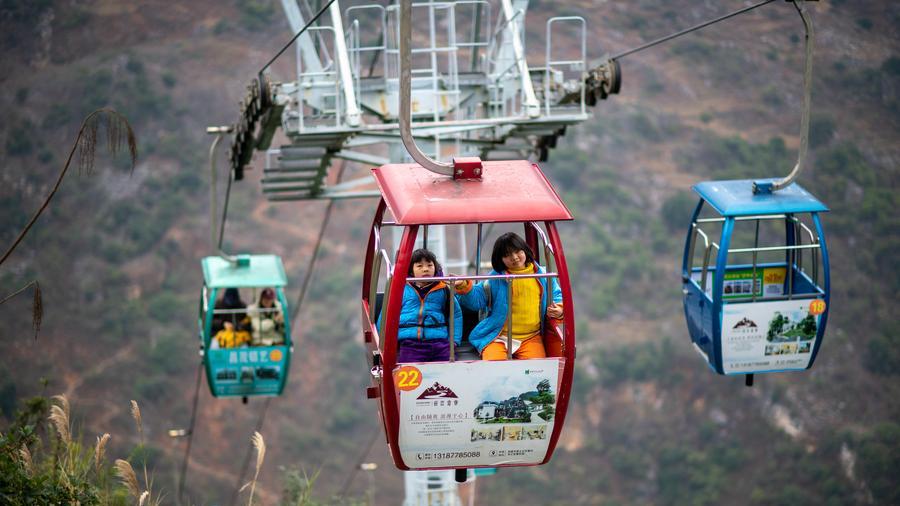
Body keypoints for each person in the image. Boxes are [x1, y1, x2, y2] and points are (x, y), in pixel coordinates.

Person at [456, 232, 563, 360]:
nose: (514, 257)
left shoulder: (542, 275)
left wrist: (560, 308)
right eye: (507, 255)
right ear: (500, 259)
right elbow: (476, 299)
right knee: (495, 363)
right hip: (499, 336)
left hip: (530, 337)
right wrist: (463, 285)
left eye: (517, 251)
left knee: (536, 368)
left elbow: (556, 295)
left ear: (525, 250)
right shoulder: (497, 278)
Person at [380, 248, 463, 362]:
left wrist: (454, 341)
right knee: (408, 369)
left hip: (439, 341)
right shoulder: (401, 290)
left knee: (450, 366)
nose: (425, 269)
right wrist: (383, 342)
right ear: (411, 270)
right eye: (419, 266)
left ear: (435, 268)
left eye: (430, 265)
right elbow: (386, 315)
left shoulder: (443, 289)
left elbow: (455, 314)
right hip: (411, 343)